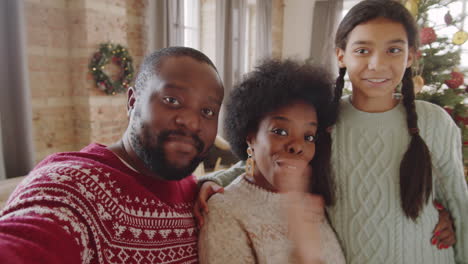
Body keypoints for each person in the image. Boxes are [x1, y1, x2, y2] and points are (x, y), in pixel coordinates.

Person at [195, 0, 468, 263]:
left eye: (393, 50)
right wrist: (213, 182)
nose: (377, 64)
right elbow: (273, 157)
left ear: (411, 56)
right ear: (341, 55)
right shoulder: (326, 121)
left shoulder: (434, 122)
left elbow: (459, 203)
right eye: (362, 50)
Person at [0, 47, 224, 264]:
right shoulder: (72, 188)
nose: (192, 122)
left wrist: (215, 182)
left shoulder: (198, 196)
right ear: (132, 102)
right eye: (172, 100)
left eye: (207, 111)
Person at [198, 59, 345, 264]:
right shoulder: (225, 210)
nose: (297, 146)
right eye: (280, 131)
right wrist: (304, 251)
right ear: (251, 137)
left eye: (308, 136)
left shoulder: (312, 201)